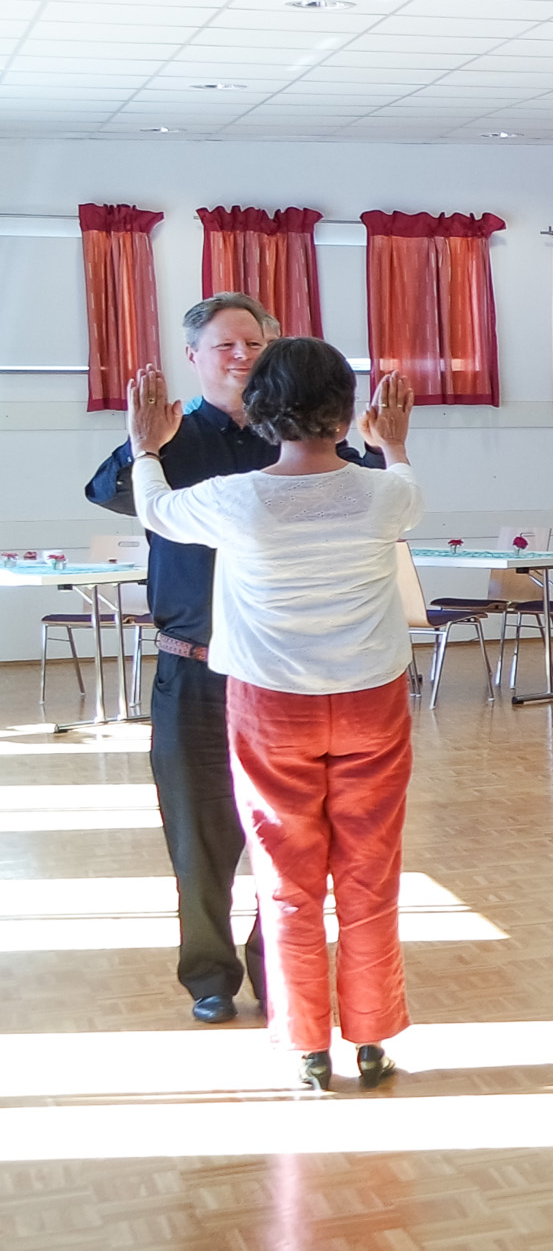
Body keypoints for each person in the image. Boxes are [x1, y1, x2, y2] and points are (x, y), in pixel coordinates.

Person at [127, 341, 421, 1092]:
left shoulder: (235, 499)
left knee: (286, 880)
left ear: (260, 411)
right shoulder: (386, 496)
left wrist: (146, 447)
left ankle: (307, 1047)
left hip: (272, 707)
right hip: (371, 702)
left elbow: (155, 509)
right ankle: (372, 1038)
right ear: (345, 411)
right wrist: (393, 442)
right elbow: (403, 478)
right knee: (370, 872)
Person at [83, 292, 381, 1026]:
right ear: (194, 357)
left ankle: (277, 967)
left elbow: (364, 495)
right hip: (193, 668)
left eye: (255, 343)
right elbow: (108, 493)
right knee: (198, 835)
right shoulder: (172, 439)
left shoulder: (301, 442)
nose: (242, 356)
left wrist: (377, 444)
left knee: (290, 835)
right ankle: (209, 976)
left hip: (281, 673)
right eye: (226, 345)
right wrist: (141, 441)